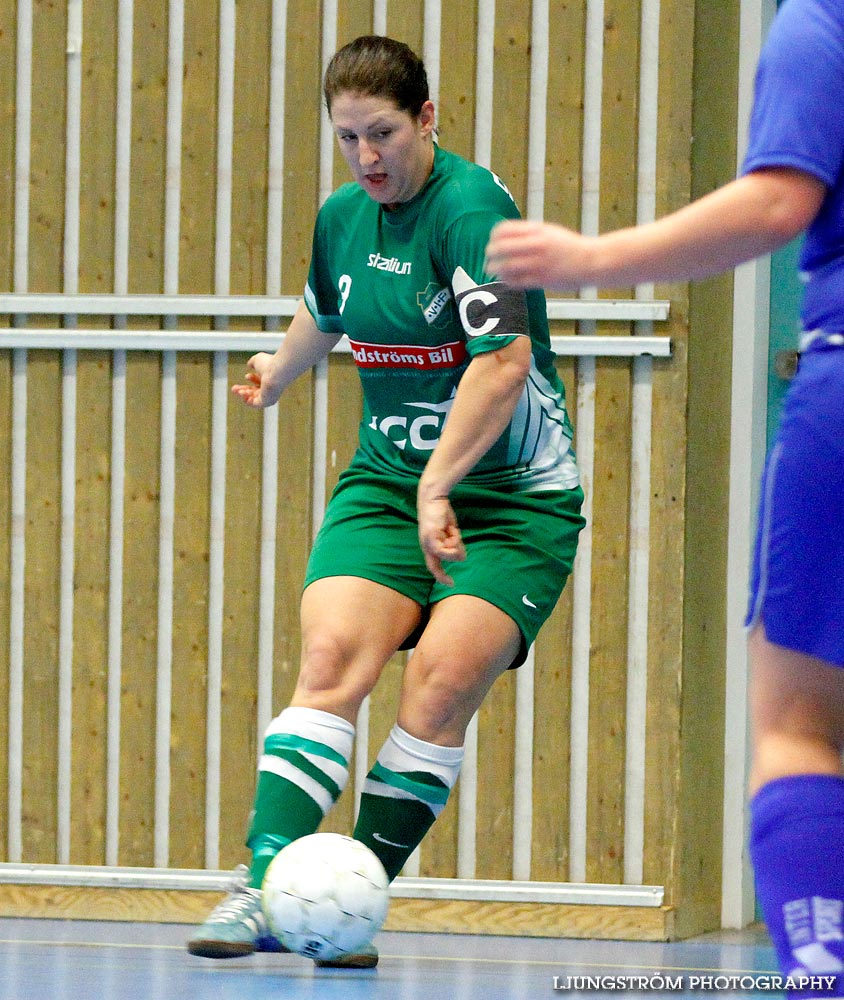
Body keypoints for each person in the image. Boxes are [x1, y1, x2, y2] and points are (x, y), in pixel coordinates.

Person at [187, 35, 584, 968]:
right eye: (348, 138)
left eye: (384, 134)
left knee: (440, 682)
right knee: (330, 655)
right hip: (386, 485)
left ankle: (348, 896)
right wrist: (278, 372)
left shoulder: (472, 212)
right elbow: (329, 308)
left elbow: (504, 361)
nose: (367, 157)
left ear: (428, 120)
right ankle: (264, 884)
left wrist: (440, 483)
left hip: (514, 499)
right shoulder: (341, 217)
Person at [486, 1, 844, 994]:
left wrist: (590, 260)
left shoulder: (820, 25)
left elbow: (777, 204)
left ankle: (823, 972)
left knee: (798, 723)